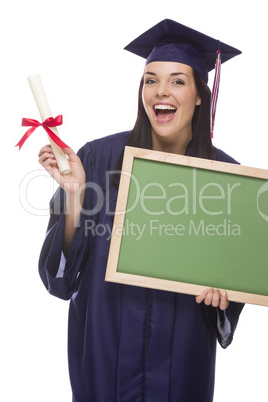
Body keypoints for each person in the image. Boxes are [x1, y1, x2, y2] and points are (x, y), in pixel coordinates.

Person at [38, 19, 244, 402]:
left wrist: (224, 294)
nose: (160, 91)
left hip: (181, 360)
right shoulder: (98, 158)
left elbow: (234, 286)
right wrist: (75, 194)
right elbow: (62, 280)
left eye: (178, 81)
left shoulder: (227, 178)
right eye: (150, 80)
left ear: (200, 94)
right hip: (103, 352)